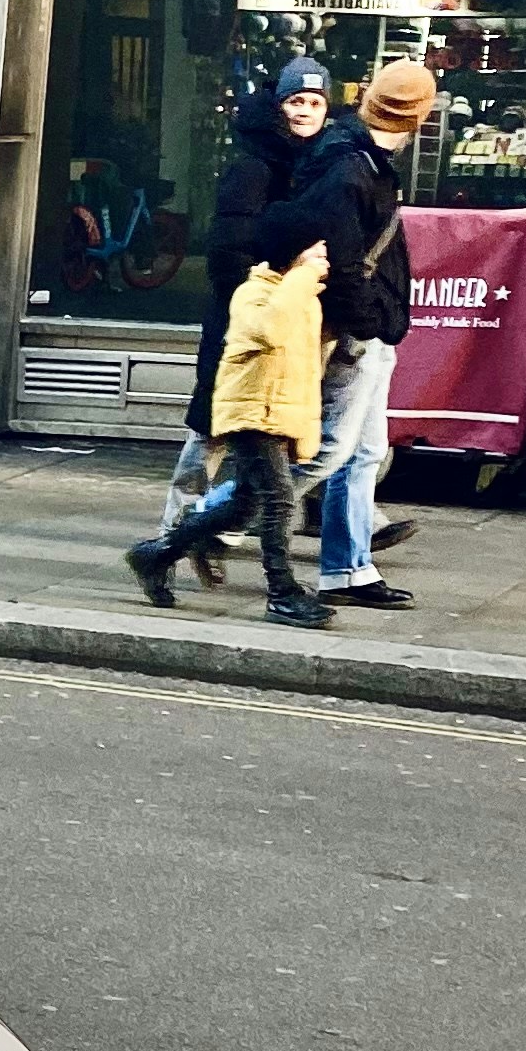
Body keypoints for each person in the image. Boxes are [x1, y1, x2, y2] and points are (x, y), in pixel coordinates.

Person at [155, 58, 328, 570]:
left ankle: (205, 531)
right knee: (210, 429)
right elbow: (228, 250)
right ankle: (174, 533)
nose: (305, 112)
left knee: (268, 434)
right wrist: (258, 300)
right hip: (243, 318)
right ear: (279, 106)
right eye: (297, 101)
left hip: (278, 316)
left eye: (315, 103)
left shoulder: (312, 163)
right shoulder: (255, 165)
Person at [131, 193, 332, 626]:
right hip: (251, 413)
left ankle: (156, 554)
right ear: (292, 253)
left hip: (274, 412)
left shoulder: (301, 295)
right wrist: (301, 280)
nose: (324, 255)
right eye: (316, 248)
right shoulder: (255, 293)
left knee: (245, 505)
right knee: (279, 501)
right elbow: (272, 330)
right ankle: (282, 592)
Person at [293, 58, 431, 612]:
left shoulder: (366, 159)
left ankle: (348, 570)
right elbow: (345, 262)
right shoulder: (352, 168)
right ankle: (203, 527)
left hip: (373, 328)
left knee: (364, 452)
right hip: (358, 330)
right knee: (328, 452)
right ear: (419, 116)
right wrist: (367, 326)